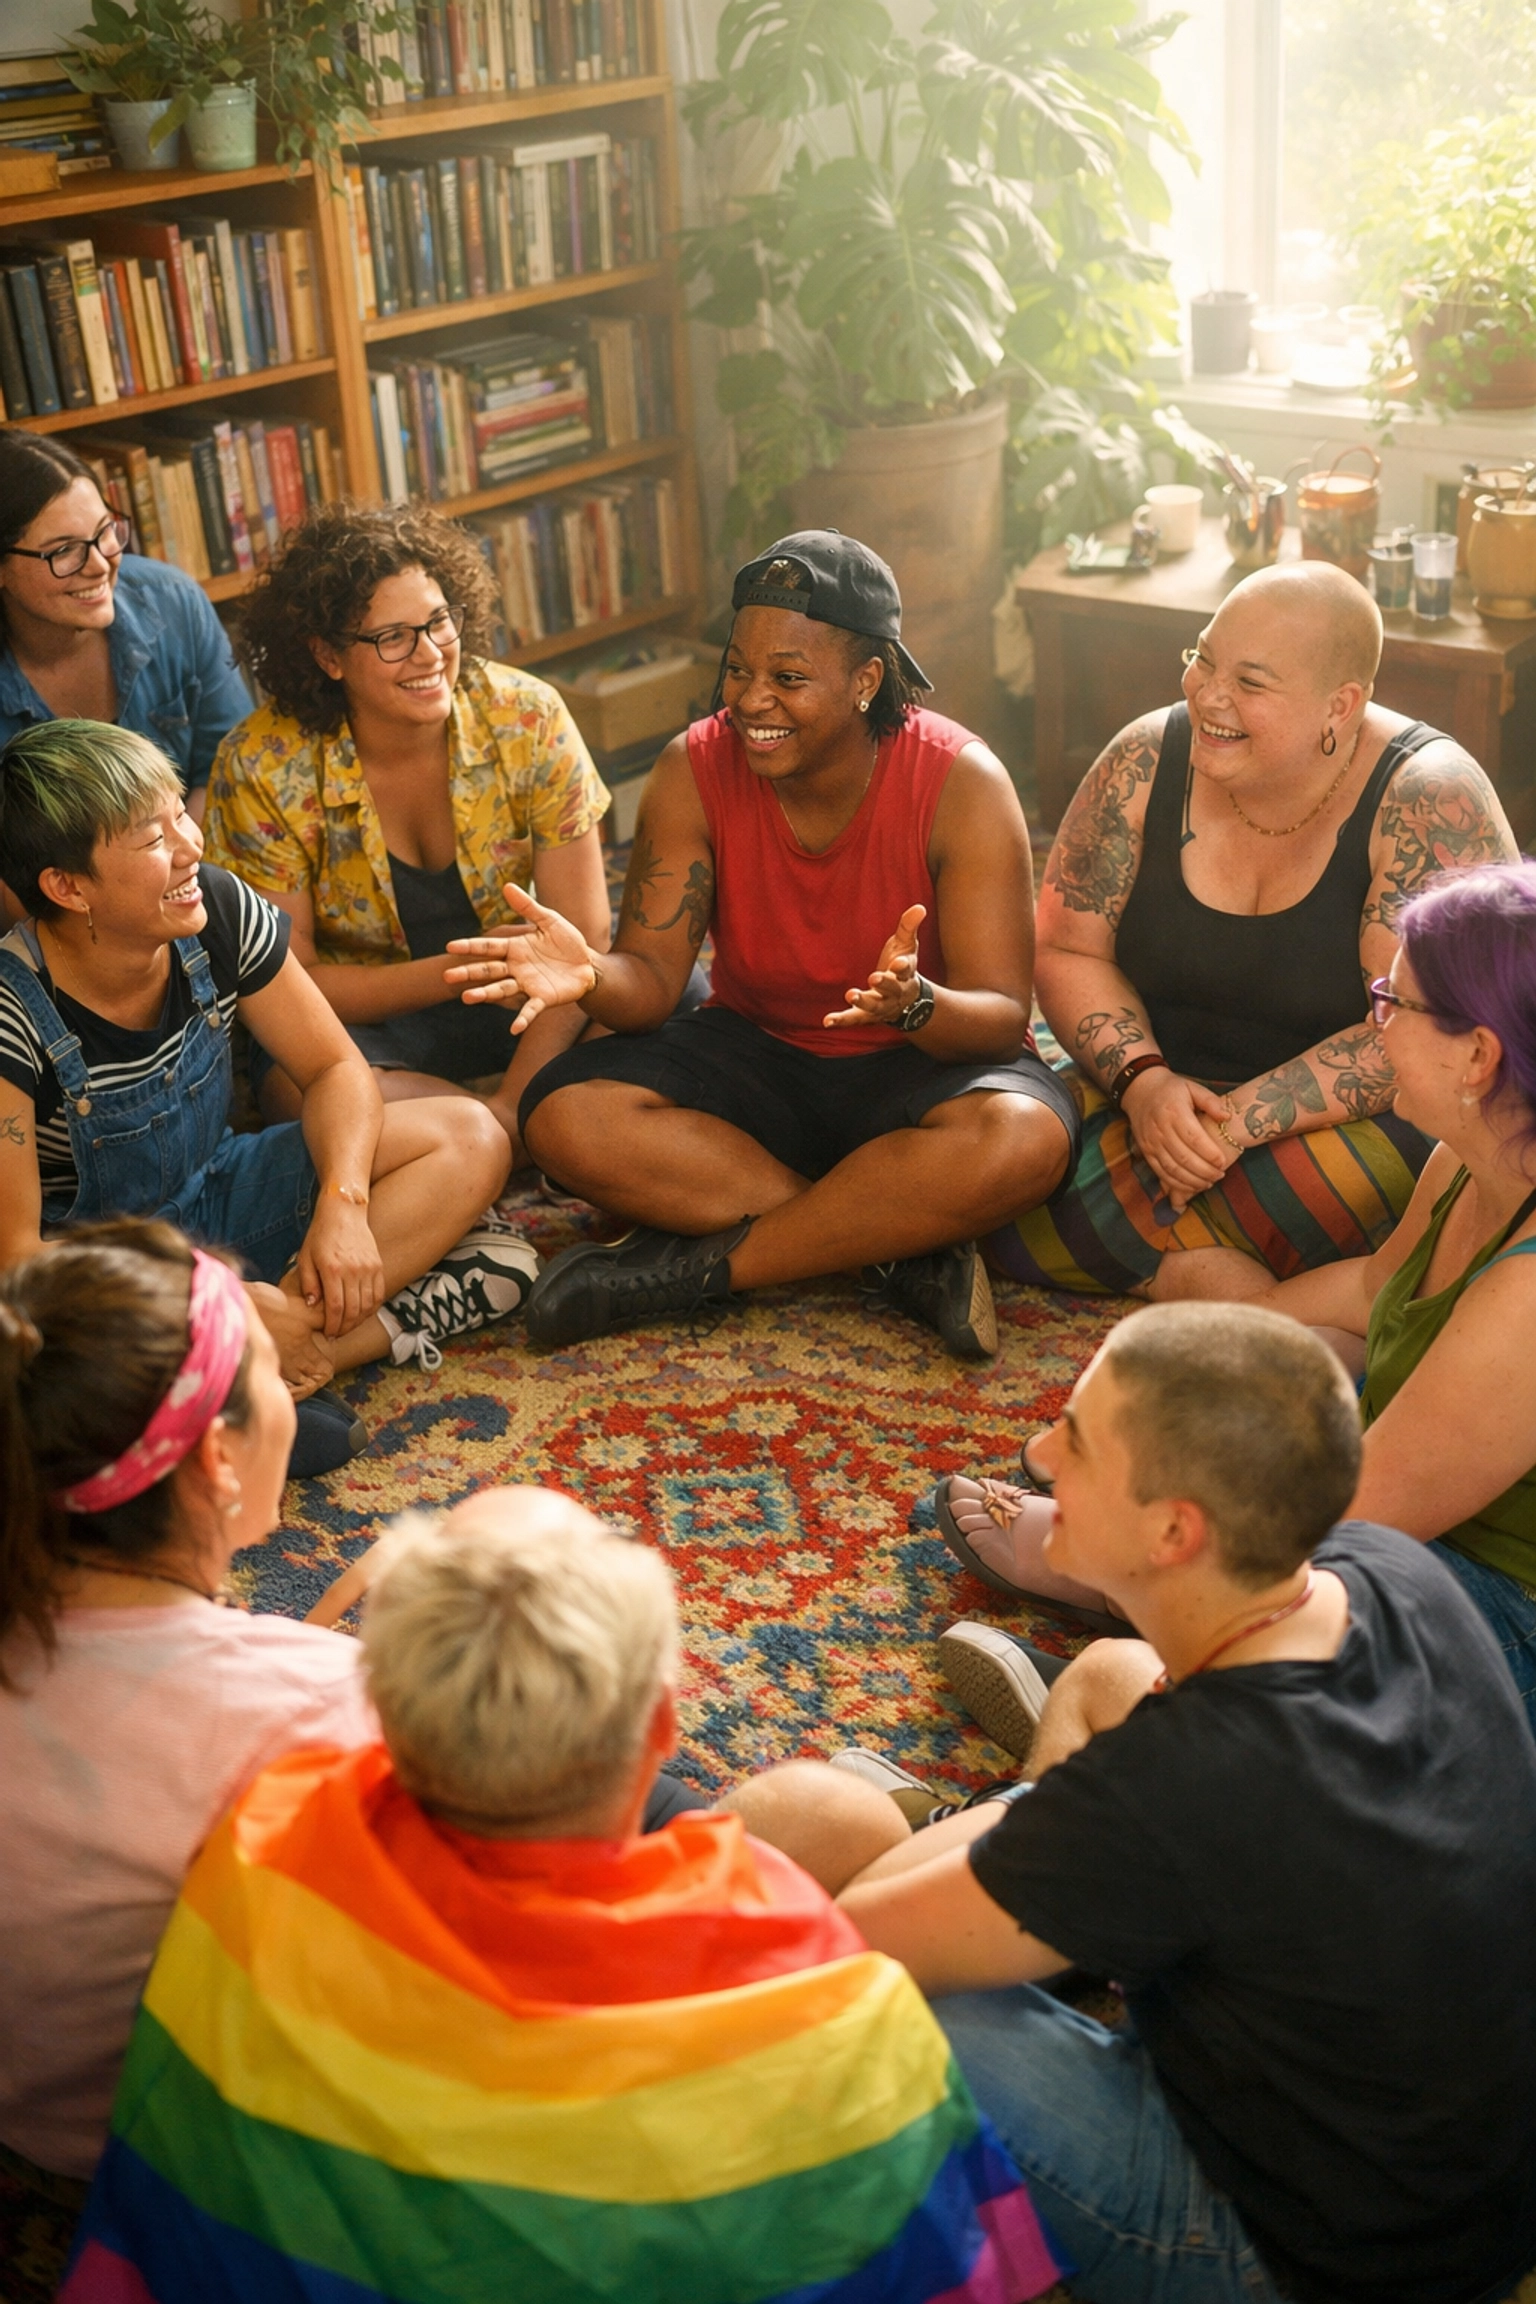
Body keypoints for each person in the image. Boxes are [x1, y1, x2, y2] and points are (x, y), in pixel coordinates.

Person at [61, 1486, 1067, 2304]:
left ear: (384, 1716)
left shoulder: (269, 1839)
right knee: (839, 1819)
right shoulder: (809, 1976)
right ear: (666, 1725)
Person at [0, 1230, 750, 2186]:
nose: (303, 1396)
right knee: (798, 1814)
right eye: (278, 1378)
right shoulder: (311, 1710)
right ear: (217, 1465)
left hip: (37, 2111)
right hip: (207, 2142)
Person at [840, 1303, 1536, 2304]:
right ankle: (1031, 1871)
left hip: (1302, 2257)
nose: (1037, 1454)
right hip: (1475, 2182)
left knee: (889, 2018)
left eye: (1074, 1437)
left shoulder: (1187, 1782)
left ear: (1175, 1530)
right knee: (1114, 1672)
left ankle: (1019, 1873)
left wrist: (1017, 1839)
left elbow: (846, 1942)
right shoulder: (1396, 1570)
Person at [444, 529, 1082, 1361]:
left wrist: (917, 1003)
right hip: (758, 1053)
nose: (750, 700)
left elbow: (1001, 1020)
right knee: (565, 1119)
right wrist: (591, 975)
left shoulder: (963, 781)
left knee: (1026, 1138)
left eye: (787, 678)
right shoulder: (692, 769)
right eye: (737, 670)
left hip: (917, 1062)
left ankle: (700, 1270)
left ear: (866, 682)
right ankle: (888, 1248)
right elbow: (651, 986)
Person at [934, 862, 1536, 1737]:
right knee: (1271, 1374)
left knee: (1324, 1597)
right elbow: (1372, 1293)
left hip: (1502, 1623)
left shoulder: (1527, 1300)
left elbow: (1370, 1512)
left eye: (1390, 1006)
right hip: (1419, 1533)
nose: (1373, 1029)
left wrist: (1133, 1527)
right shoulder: (1473, 1158)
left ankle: (1134, 1707)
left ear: (1479, 1055)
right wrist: (1173, 1378)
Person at [988, 558, 1516, 1300]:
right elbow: (1069, 945)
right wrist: (1146, 1086)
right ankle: (1222, 1279)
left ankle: (1140, 1263)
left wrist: (1236, 1126)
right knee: (999, 1151)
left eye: (1251, 682)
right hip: (1147, 1098)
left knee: (1364, 1188)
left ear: (1341, 705)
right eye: (1203, 658)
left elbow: (1422, 1034)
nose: (1209, 694)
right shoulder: (1145, 758)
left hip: (1340, 1130)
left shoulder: (1427, 798)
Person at [0, 719, 535, 1389]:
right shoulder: (11, 1011)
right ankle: (298, 1352)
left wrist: (344, 1206)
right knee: (47, 1373)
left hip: (220, 1191)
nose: (190, 848)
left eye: (179, 817)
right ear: (68, 887)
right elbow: (19, 1264)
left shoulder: (216, 906)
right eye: (153, 839)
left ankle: (272, 1352)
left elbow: (335, 1067)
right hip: (105, 1276)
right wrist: (214, 1304)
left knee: (473, 1136)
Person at [202, 501, 613, 1164]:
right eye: (393, 637)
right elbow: (290, 981)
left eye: (438, 621)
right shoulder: (262, 766)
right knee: (296, 1091)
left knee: (672, 995)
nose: (430, 653)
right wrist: (462, 972)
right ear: (327, 656)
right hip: (375, 1028)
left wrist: (513, 1096)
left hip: (535, 1000)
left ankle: (478, 1134)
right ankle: (523, 1132)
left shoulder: (527, 716)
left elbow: (586, 939)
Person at [0, 431, 252, 839]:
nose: (100, 564)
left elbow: (228, 763)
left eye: (104, 532)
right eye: (64, 550)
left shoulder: (174, 601)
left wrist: (174, 868)